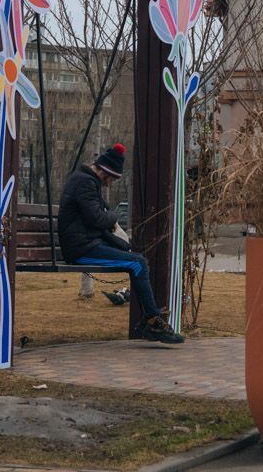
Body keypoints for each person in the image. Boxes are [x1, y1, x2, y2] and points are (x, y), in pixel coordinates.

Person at [59, 143, 183, 344]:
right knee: (137, 263)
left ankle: (151, 319)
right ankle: (152, 321)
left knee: (137, 260)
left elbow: (98, 215)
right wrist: (114, 215)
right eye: (112, 179)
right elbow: (98, 219)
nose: (111, 183)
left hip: (85, 243)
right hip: (81, 248)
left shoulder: (86, 181)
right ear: (105, 172)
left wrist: (111, 223)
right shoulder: (85, 183)